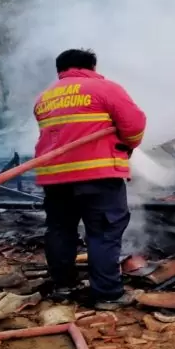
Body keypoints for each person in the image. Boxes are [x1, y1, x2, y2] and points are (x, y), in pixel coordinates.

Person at [33, 48, 146, 309]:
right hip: (98, 175)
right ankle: (107, 294)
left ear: (60, 70)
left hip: (54, 177)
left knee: (60, 230)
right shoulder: (105, 88)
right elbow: (134, 126)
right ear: (92, 67)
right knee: (104, 233)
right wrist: (127, 146)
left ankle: (64, 286)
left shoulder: (44, 98)